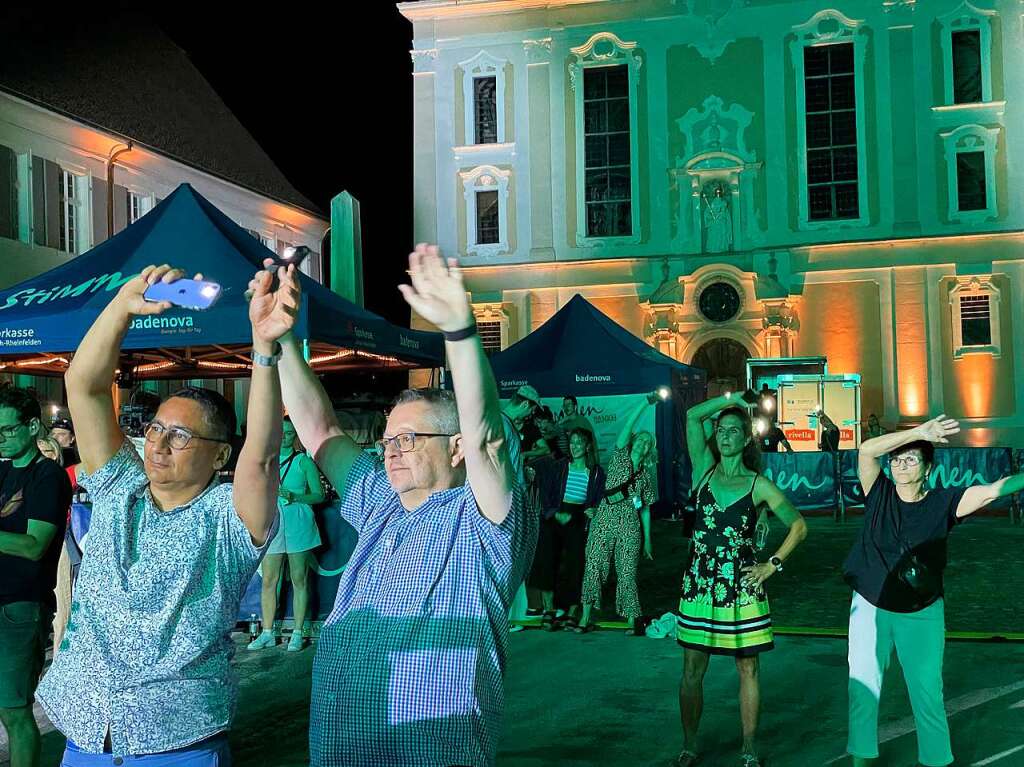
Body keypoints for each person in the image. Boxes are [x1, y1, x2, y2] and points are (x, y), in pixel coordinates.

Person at [269, 245, 536, 767]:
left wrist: (460, 333)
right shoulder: (380, 502)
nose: (391, 452)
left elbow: (486, 438)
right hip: (340, 743)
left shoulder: (483, 520)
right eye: (388, 441)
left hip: (429, 750)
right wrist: (281, 342)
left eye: (409, 439)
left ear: (454, 447)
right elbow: (320, 431)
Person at [35, 263, 286, 765]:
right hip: (86, 728)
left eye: (180, 435)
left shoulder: (227, 518)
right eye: (155, 428)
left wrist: (264, 349)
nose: (158, 443)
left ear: (218, 455)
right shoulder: (118, 485)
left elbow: (260, 455)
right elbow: (82, 387)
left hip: (177, 738)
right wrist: (122, 307)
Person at [844, 415, 1022, 767]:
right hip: (869, 607)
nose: (899, 464)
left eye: (910, 458)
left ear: (927, 468)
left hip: (921, 612)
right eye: (896, 458)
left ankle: (936, 760)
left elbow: (992, 490)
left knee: (927, 695)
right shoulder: (877, 492)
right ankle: (861, 760)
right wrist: (918, 432)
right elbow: (866, 452)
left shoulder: (944, 502)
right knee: (862, 691)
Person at [676, 392, 808, 767]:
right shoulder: (702, 467)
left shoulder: (757, 485)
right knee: (691, 669)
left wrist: (772, 565)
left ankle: (749, 748)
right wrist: (730, 401)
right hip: (700, 582)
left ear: (747, 438)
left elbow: (798, 525)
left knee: (748, 667)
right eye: (721, 430)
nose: (726, 436)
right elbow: (690, 415)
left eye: (735, 431)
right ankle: (688, 745)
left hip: (742, 585)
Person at [0, 387, 71, 767]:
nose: (1, 438)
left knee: (15, 711)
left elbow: (34, 545)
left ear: (31, 426)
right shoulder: (2, 471)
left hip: (20, 607)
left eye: (7, 430)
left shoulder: (48, 478)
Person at [577, 394, 659, 635]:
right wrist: (646, 403)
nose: (644, 444)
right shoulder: (620, 456)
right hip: (604, 517)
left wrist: (648, 539)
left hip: (629, 523)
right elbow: (628, 426)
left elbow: (644, 508)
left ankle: (633, 620)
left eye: (648, 443)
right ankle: (584, 617)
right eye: (641, 440)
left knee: (627, 571)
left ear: (649, 450)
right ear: (634, 442)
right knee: (593, 564)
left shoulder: (645, 477)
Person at [248, 416, 326, 652]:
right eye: (283, 432)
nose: (286, 437)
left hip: (299, 524)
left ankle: (298, 633)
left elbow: (319, 495)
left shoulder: (304, 462)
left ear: (297, 436)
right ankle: (268, 632)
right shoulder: (267, 462)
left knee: (299, 579)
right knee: (270, 580)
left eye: (291, 433)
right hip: (274, 523)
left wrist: (295, 497)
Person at [530, 428, 606, 631]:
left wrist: (594, 509)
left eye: (579, 443)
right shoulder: (560, 466)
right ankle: (549, 610)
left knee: (576, 564)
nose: (575, 447)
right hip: (555, 513)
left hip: (578, 516)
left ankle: (572, 612)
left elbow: (599, 497)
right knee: (547, 560)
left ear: (588, 445)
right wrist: (554, 513)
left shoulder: (596, 472)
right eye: (572, 443)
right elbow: (546, 491)